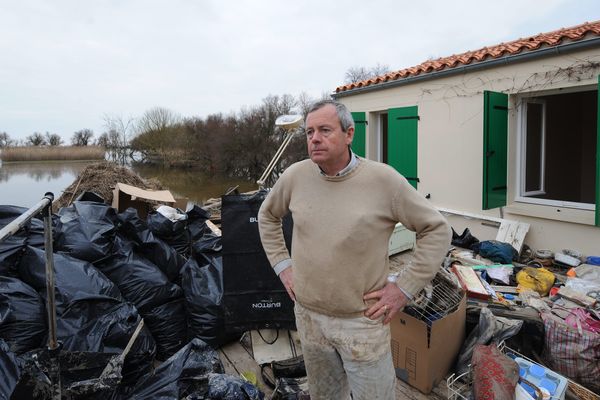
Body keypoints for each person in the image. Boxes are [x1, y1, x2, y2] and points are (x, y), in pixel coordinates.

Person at [258, 100, 451, 400]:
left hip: (362, 322)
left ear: (349, 134)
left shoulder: (383, 181)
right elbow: (267, 216)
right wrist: (283, 266)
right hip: (309, 317)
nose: (315, 138)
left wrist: (404, 288)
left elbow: (437, 229)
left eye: (324, 130)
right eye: (309, 132)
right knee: (325, 396)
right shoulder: (295, 176)